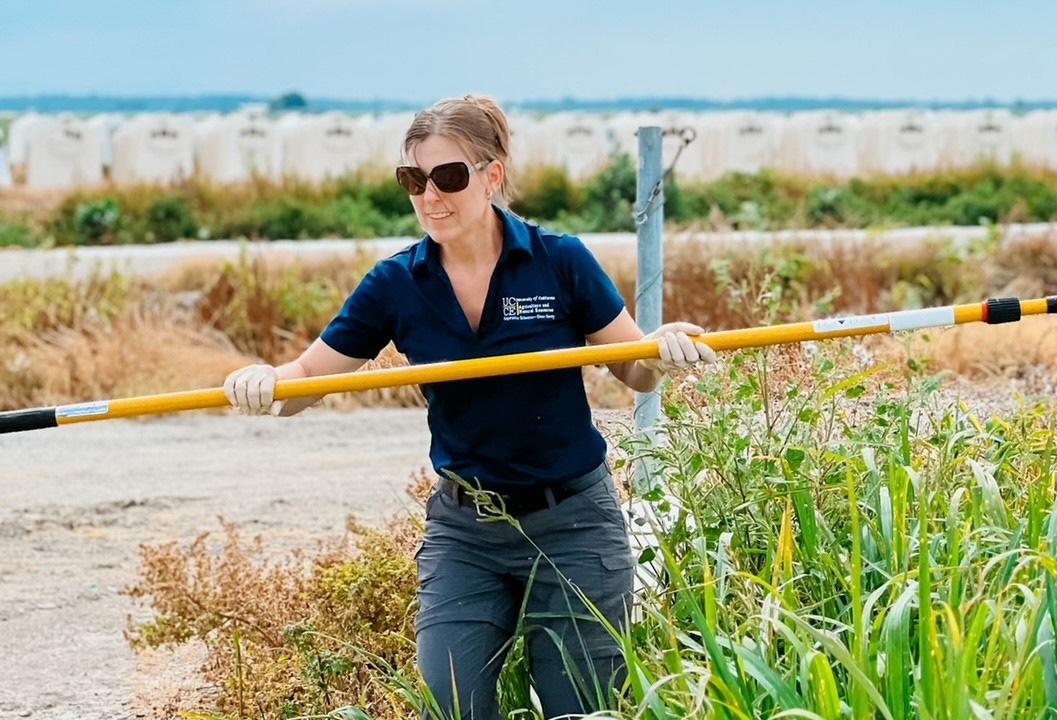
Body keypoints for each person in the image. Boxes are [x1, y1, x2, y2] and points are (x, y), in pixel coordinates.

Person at [222, 95, 716, 719]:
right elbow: (304, 383)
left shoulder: (559, 261)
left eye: (448, 176)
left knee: (582, 712)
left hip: (572, 524)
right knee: (451, 707)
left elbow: (635, 370)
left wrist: (663, 347)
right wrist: (267, 380)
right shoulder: (396, 283)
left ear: (492, 176)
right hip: (467, 530)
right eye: (413, 179)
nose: (430, 195)